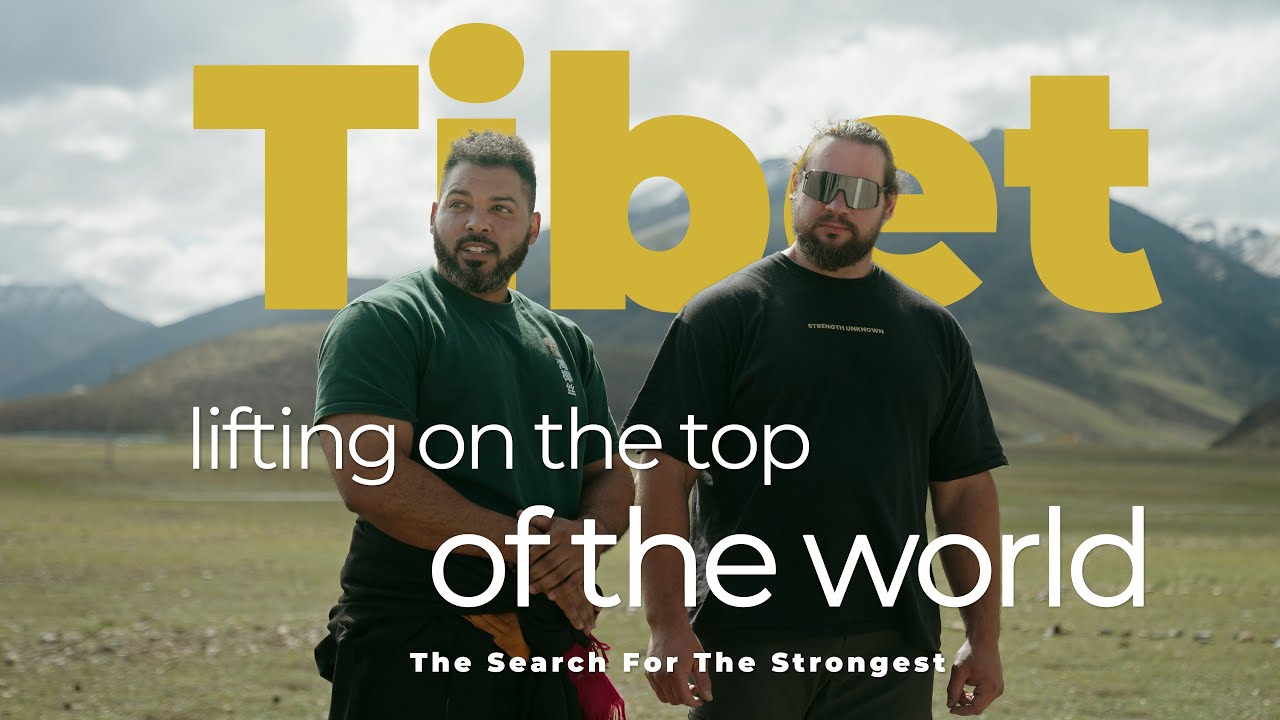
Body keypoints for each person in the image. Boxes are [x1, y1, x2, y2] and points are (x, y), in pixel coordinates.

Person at [625, 120, 1007, 719]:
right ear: (797, 187)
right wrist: (667, 623)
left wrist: (983, 638)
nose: (837, 205)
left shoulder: (932, 332)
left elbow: (962, 493)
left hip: (891, 650)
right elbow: (664, 470)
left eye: (859, 192)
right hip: (748, 637)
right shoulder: (725, 315)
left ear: (887, 206)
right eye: (823, 184)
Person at [311, 131, 633, 719]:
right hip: (416, 636)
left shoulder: (565, 342)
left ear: (533, 228)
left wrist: (582, 543)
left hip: (541, 637)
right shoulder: (385, 321)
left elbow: (610, 474)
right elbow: (370, 477)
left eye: (500, 209)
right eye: (459, 205)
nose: (475, 223)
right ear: (435, 216)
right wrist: (540, 550)